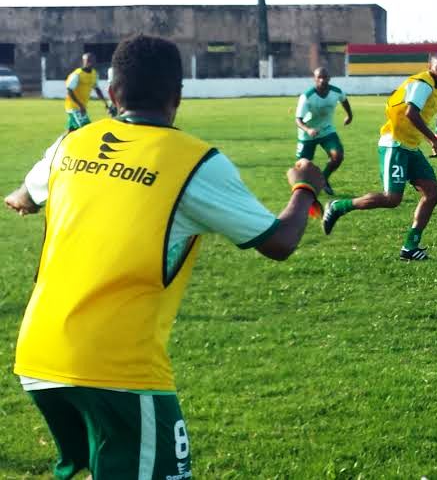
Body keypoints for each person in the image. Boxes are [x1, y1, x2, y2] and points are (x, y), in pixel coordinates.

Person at [7, 35, 326, 479]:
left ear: (113, 94)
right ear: (177, 97)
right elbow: (279, 241)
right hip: (118, 369)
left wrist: (23, 199)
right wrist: (303, 185)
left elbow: (25, 195)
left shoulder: (70, 146)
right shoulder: (194, 162)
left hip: (39, 357)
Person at [322, 54, 437, 261]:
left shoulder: (435, 88)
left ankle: (410, 247)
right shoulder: (423, 84)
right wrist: (434, 140)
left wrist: (430, 140)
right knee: (392, 199)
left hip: (410, 146)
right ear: (430, 66)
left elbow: (417, 119)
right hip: (395, 144)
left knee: (432, 194)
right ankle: (338, 207)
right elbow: (411, 113)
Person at [294, 66, 353, 195]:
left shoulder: (336, 91)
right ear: (314, 79)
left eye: (324, 77)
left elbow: (344, 100)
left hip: (326, 130)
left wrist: (349, 115)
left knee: (338, 156)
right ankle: (303, 191)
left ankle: (323, 178)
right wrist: (308, 129)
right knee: (302, 167)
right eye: (319, 78)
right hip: (308, 135)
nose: (322, 80)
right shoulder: (307, 96)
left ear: (329, 78)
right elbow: (298, 120)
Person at [64, 52, 112, 131]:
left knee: (71, 130)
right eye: (88, 60)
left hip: (81, 107)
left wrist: (105, 103)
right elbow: (69, 90)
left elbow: (97, 89)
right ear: (83, 61)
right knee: (86, 128)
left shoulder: (94, 73)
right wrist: (80, 105)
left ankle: (61, 143)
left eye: (92, 60)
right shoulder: (77, 74)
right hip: (73, 107)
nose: (90, 62)